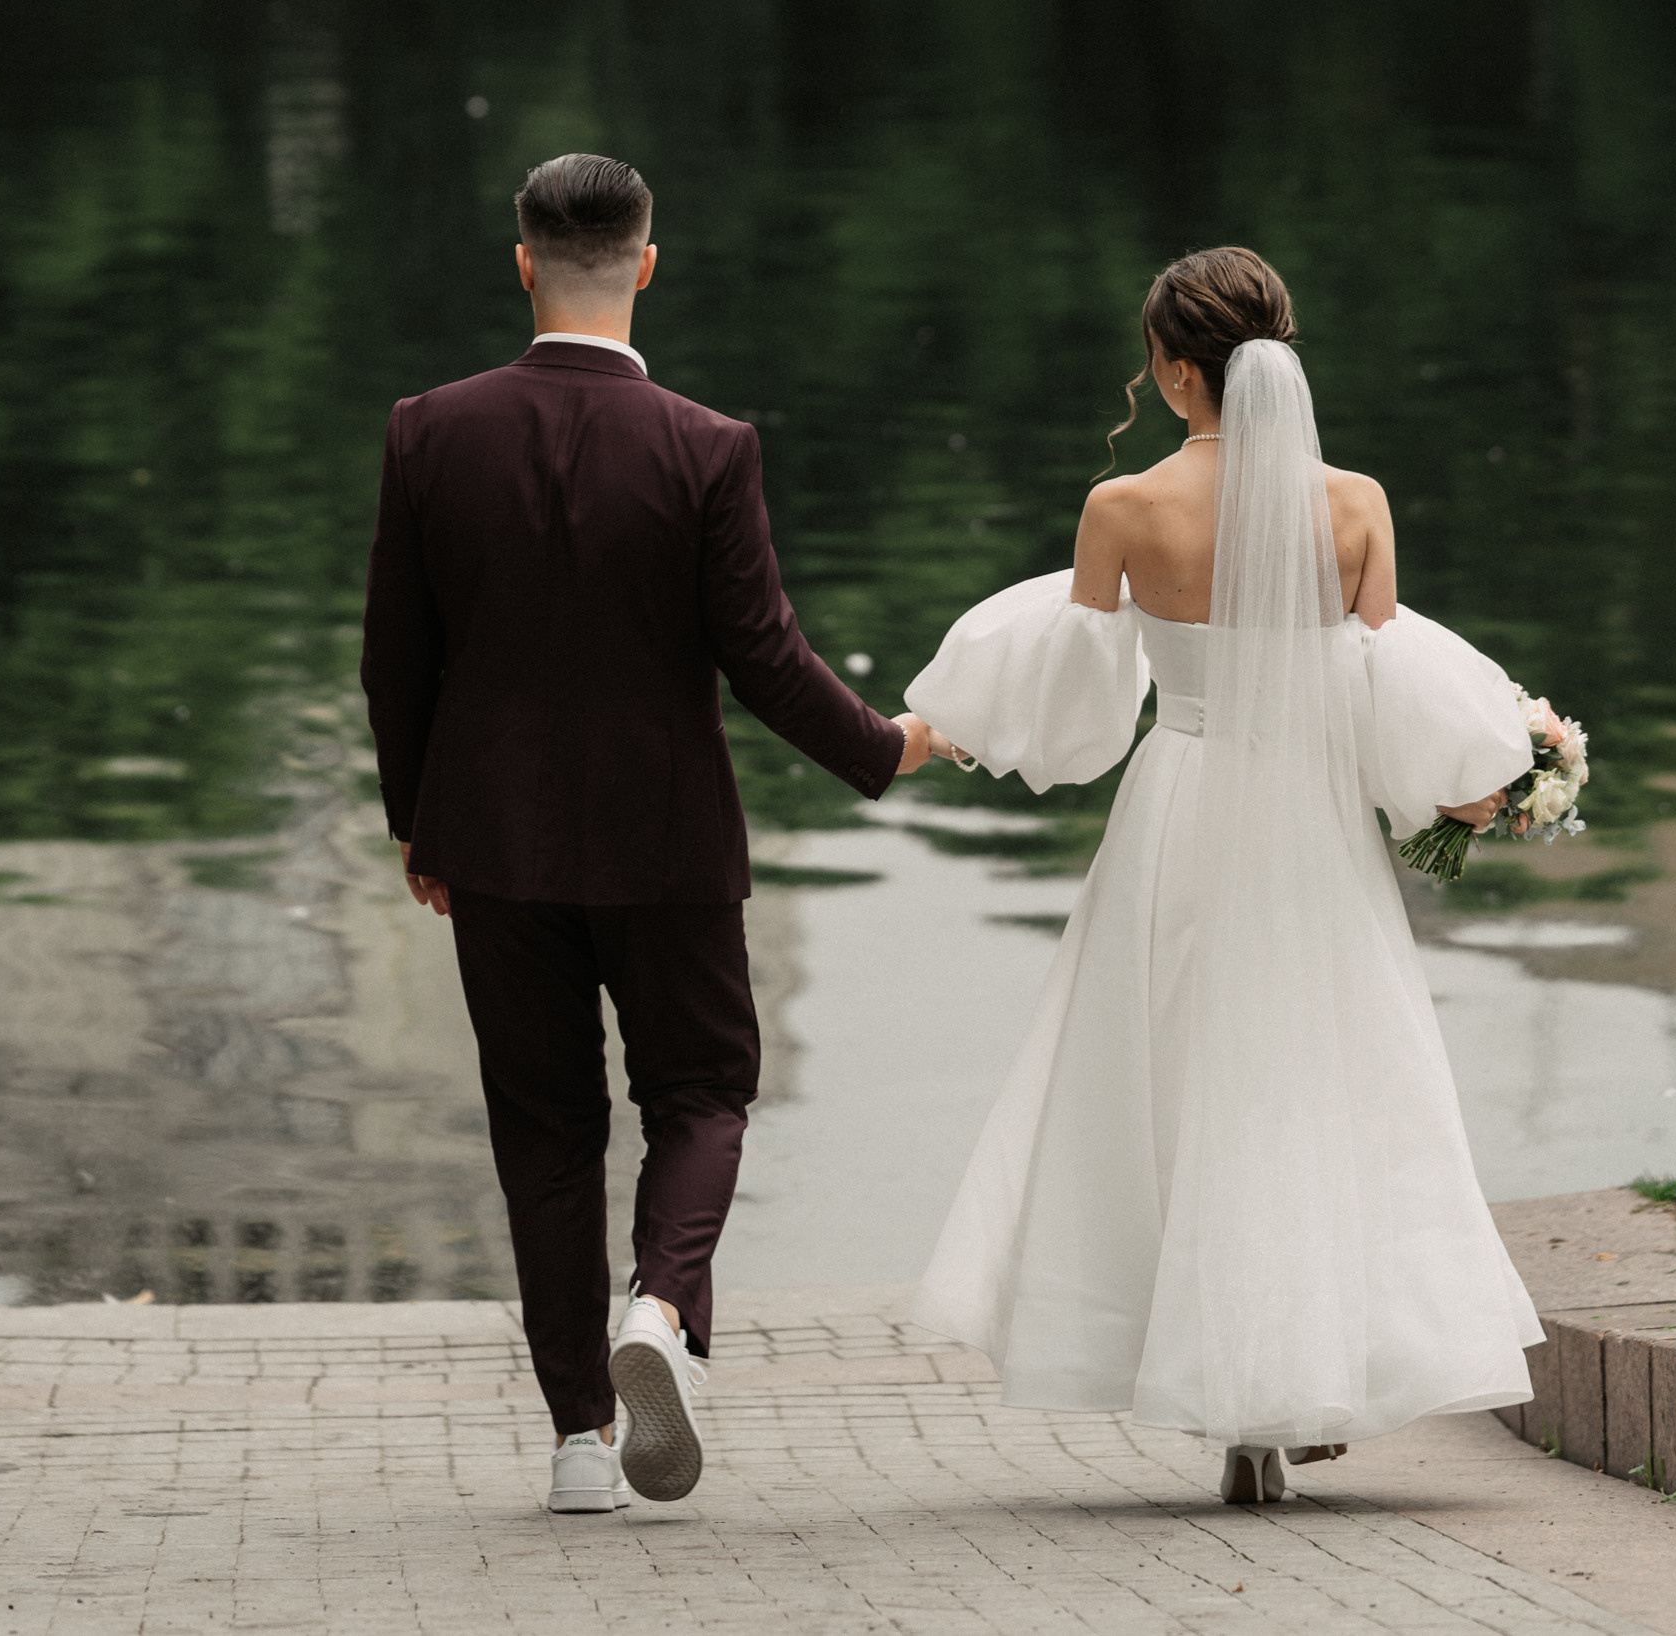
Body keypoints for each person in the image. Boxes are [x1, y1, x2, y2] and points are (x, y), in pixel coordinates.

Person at [359, 152, 948, 1519]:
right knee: (701, 1094)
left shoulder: (425, 430)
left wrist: (420, 824)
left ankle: (576, 1442)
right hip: (668, 838)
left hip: (494, 843)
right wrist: (887, 745)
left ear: (521, 264)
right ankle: (664, 1307)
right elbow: (764, 657)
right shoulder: (706, 446)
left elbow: (396, 659)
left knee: (543, 1130)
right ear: (646, 262)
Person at [905, 246, 1543, 1506]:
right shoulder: (1354, 502)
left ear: (1172, 367)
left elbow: (1085, 710)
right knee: (1313, 1075)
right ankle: (1299, 1373)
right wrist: (1479, 777)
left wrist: (970, 723)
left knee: (1174, 1079)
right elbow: (1377, 693)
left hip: (1182, 808)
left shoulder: (1123, 509)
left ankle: (1216, 1386)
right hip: (1307, 817)